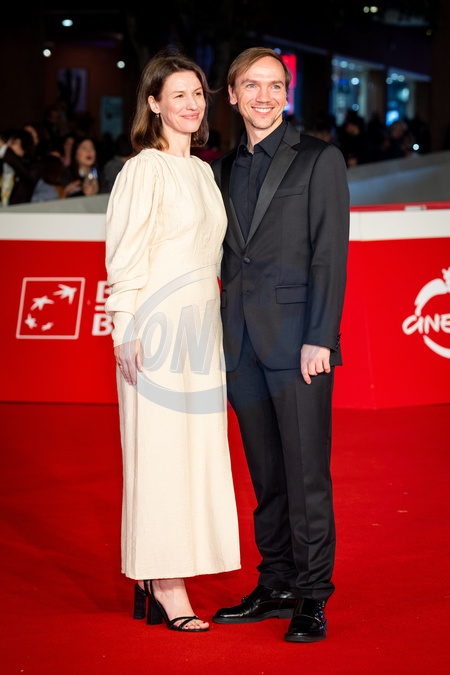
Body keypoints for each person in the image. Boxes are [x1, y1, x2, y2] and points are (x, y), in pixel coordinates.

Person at [210, 47, 349, 642]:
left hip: (298, 345)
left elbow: (329, 254)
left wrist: (320, 337)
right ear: (233, 95)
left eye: (274, 86)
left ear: (286, 94)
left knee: (305, 473)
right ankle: (276, 583)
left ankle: (312, 595)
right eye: (251, 85)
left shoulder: (319, 158)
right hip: (239, 343)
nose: (263, 96)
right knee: (266, 476)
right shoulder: (219, 169)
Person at [104, 48, 240, 633]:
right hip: (155, 328)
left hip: (201, 329)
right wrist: (125, 328)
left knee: (196, 454)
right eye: (177, 95)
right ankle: (164, 583)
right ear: (154, 104)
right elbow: (124, 255)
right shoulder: (143, 169)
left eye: (197, 93)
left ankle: (168, 569)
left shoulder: (204, 173)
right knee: (159, 454)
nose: (190, 104)